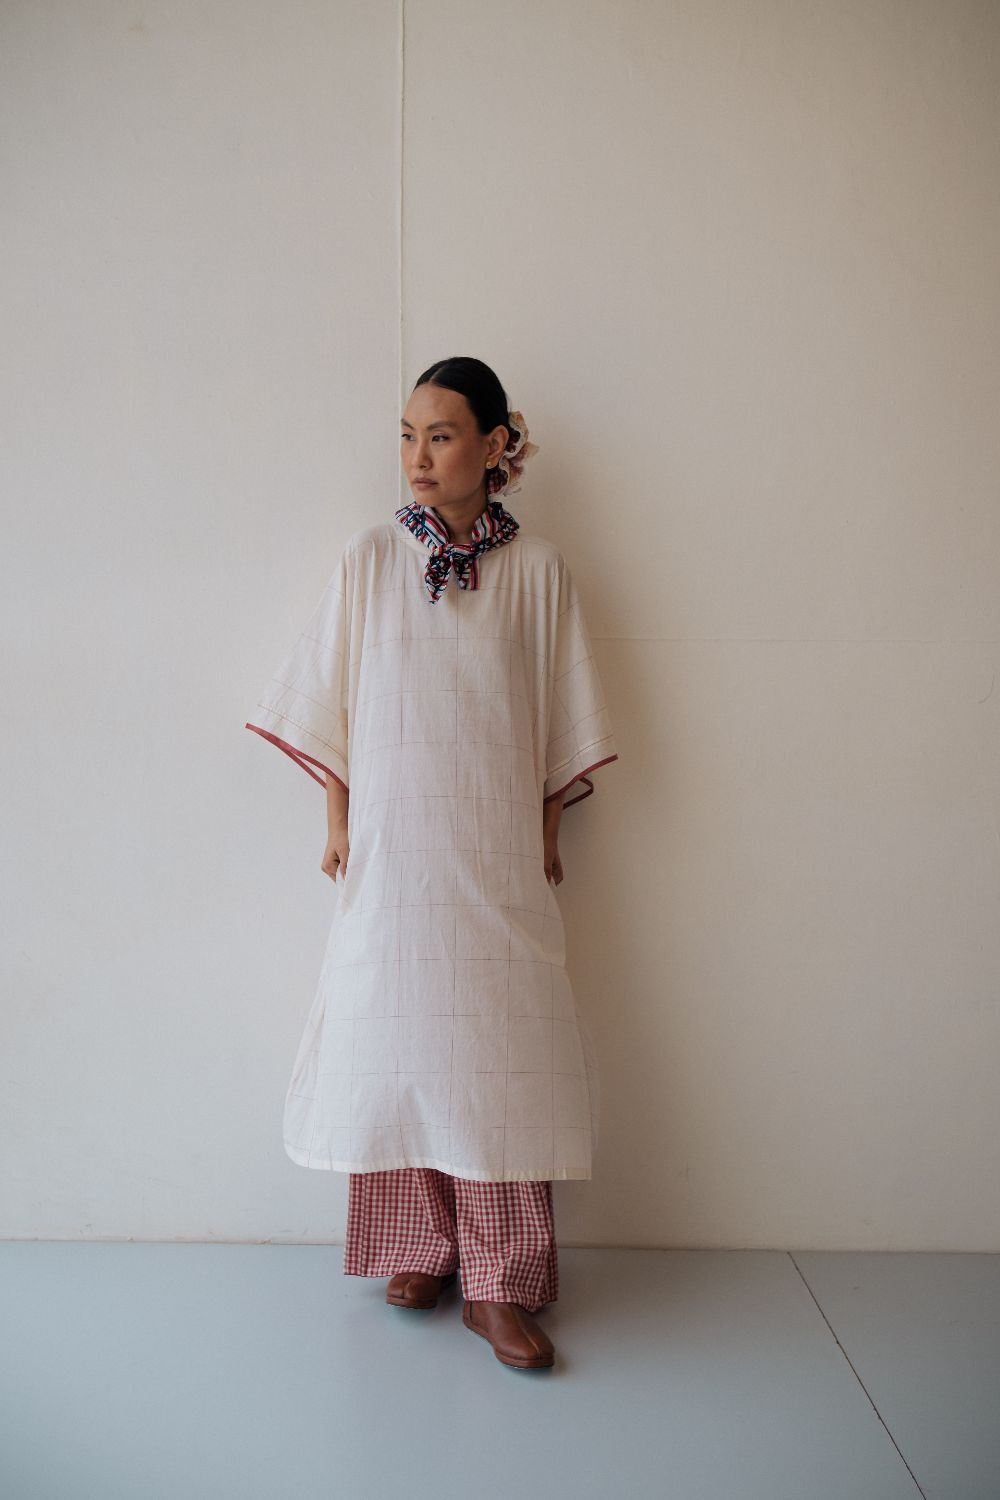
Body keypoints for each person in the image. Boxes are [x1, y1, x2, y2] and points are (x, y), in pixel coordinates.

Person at [246, 356, 619, 1370]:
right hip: (394, 850)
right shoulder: (370, 558)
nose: (418, 456)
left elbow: (559, 713)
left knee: (499, 1060)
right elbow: (334, 699)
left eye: (441, 435)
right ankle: (416, 1249)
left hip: (494, 854)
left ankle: (498, 1284)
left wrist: (547, 827)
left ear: (495, 447)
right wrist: (337, 819)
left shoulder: (538, 571)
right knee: (396, 1046)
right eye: (407, 435)